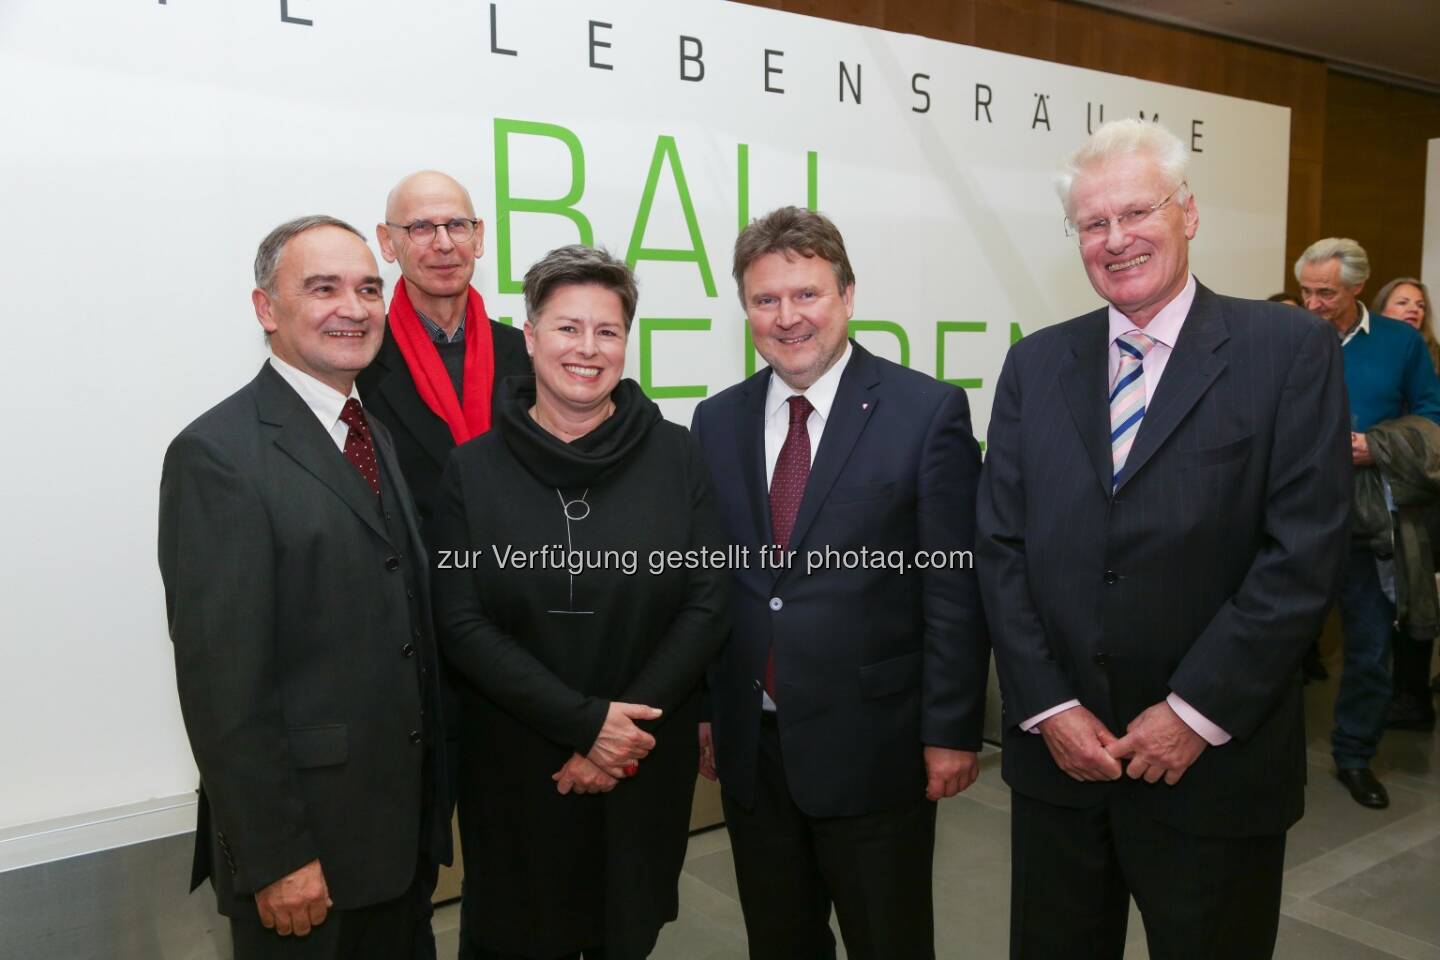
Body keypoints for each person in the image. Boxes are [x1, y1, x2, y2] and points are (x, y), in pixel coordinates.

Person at [979, 120, 1350, 959]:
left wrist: (1192, 712)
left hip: (1215, 769)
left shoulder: (1288, 350)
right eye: (1093, 224)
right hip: (1061, 769)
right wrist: (1047, 707)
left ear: (1188, 213)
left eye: (1136, 212)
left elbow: (1304, 554)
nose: (1116, 240)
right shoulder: (1035, 366)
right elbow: (999, 548)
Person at [690, 206, 988, 960]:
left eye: (807, 295)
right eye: (766, 300)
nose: (787, 317)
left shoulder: (927, 413)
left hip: (876, 747)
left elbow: (953, 587)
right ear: (745, 309)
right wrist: (706, 711)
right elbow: (709, 582)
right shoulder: (715, 421)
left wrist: (951, 730)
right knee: (779, 942)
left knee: (887, 941)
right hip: (753, 746)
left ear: (847, 296)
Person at [159, 216, 450, 959]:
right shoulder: (217, 456)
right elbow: (223, 684)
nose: (352, 307)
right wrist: (276, 856)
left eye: (367, 288)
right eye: (323, 288)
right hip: (304, 862)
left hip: (394, 846)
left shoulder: (368, 431)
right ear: (267, 309)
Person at [430, 244, 729, 959]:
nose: (587, 349)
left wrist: (615, 743)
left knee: (623, 932)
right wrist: (584, 723)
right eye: (567, 328)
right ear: (529, 337)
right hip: (516, 761)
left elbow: (709, 600)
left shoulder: (678, 454)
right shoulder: (471, 469)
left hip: (642, 757)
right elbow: (459, 620)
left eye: (608, 330)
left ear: (628, 342)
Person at [357, 170, 531, 958]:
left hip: (515, 640)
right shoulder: (356, 350)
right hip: (407, 645)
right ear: (389, 245)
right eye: (420, 228)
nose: (441, 243)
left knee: (514, 851)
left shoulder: (523, 350)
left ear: (481, 238)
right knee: (407, 864)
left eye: (456, 225)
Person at [1300, 243, 1440, 807]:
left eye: (1325, 293)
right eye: (1305, 290)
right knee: (1273, 647)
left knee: (1369, 648)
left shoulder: (1400, 343)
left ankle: (1355, 755)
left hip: (1366, 521)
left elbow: (1432, 416)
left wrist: (1375, 446)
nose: (1312, 303)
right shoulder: (1286, 335)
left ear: (1358, 287)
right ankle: (1262, 753)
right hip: (1291, 520)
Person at [1372, 276, 1440, 724]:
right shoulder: (1374, 354)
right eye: (1402, 302)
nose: (1413, 309)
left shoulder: (1432, 358)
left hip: (1422, 494)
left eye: (1419, 303)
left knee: (1416, 592)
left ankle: (1412, 696)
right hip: (1377, 492)